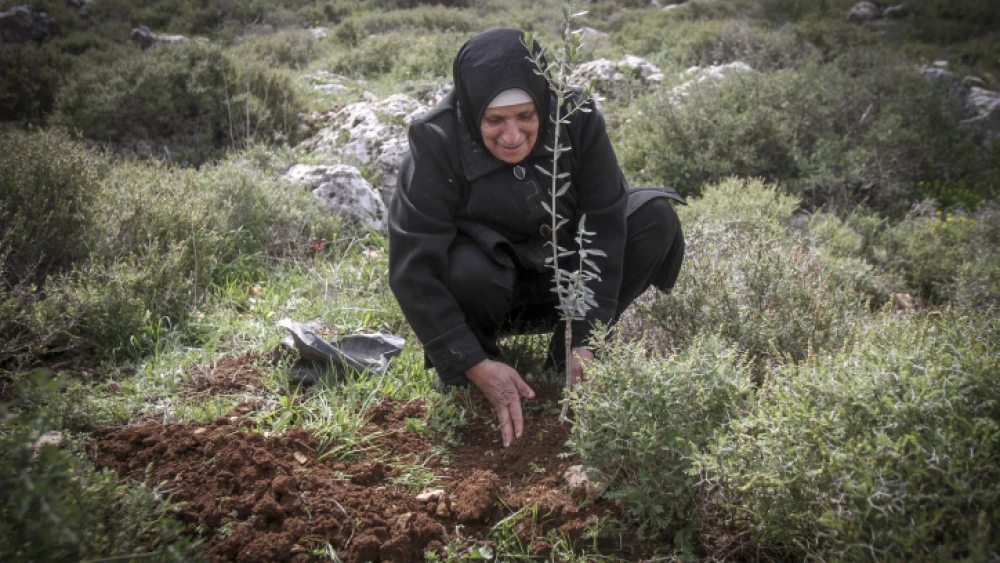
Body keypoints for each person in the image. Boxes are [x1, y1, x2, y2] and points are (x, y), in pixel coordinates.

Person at [388, 28, 684, 447]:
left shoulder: (575, 116)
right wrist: (470, 361)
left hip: (562, 286)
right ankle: (479, 368)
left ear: (543, 101)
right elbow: (411, 269)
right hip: (487, 290)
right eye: (495, 120)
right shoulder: (435, 139)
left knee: (654, 217)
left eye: (526, 116)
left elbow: (604, 222)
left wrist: (585, 337)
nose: (512, 137)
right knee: (466, 265)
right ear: (474, 112)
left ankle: (564, 358)